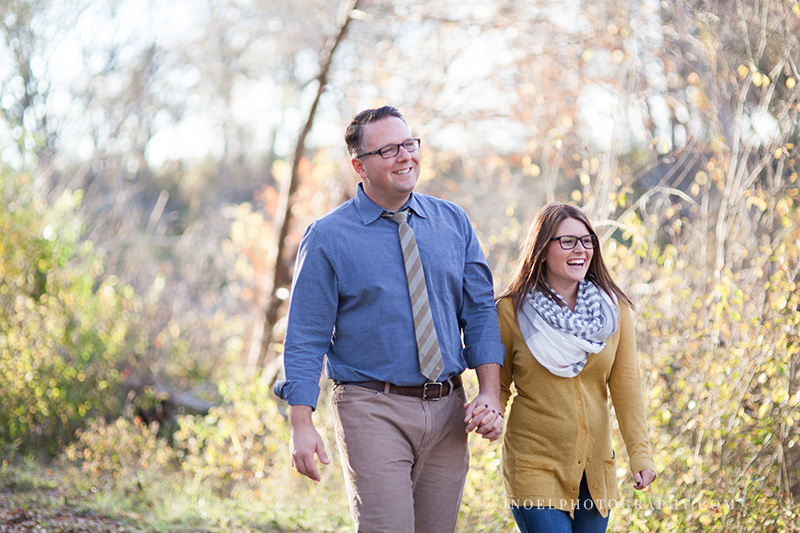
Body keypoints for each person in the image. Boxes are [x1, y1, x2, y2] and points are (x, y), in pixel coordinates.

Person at [273, 105, 505, 532]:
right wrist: (301, 424)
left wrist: (489, 393)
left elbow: (480, 311)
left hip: (447, 406)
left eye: (409, 144)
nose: (405, 156)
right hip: (371, 406)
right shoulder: (327, 237)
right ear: (359, 165)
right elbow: (306, 336)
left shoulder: (453, 222)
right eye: (388, 150)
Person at [495, 203, 657, 533]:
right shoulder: (511, 312)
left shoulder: (615, 311)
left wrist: (640, 454)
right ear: (541, 250)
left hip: (596, 469)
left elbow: (626, 387)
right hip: (533, 465)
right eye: (567, 241)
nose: (580, 249)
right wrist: (487, 417)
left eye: (587, 241)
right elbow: (497, 386)